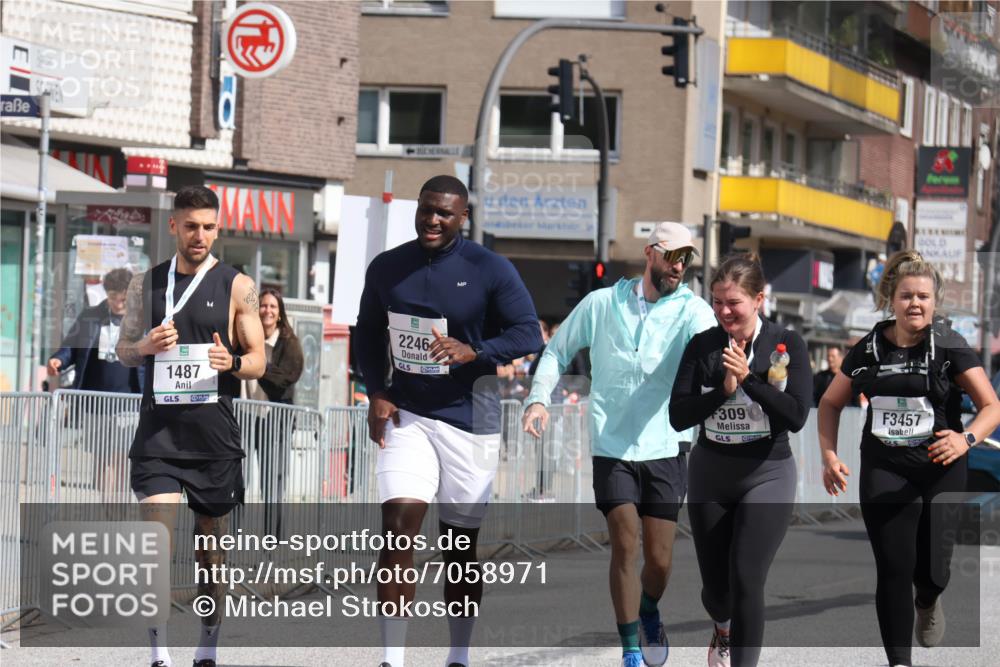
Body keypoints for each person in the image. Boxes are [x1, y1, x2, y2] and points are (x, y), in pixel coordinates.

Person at [354, 175, 542, 667]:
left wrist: (474, 351)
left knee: (459, 548)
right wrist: (376, 390)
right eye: (426, 210)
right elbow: (368, 336)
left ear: (463, 218)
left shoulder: (490, 268)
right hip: (408, 414)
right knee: (397, 528)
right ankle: (391, 659)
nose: (432, 220)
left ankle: (457, 654)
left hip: (470, 420)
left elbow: (528, 333)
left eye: (444, 213)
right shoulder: (389, 268)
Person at [522, 222, 716, 667]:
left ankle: (649, 610)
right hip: (612, 446)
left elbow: (711, 343)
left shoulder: (692, 309)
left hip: (665, 445)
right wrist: (537, 399)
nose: (680, 266)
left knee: (660, 560)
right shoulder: (601, 303)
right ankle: (630, 649)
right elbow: (556, 351)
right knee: (625, 544)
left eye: (687, 259)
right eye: (673, 256)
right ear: (650, 253)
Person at [817, 250, 1000, 667]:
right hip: (885, 467)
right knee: (894, 569)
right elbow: (829, 403)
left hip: (941, 467)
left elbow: (992, 406)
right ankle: (899, 662)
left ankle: (929, 599)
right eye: (905, 296)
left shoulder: (949, 345)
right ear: (891, 300)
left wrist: (966, 438)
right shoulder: (868, 348)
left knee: (933, 571)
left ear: (934, 302)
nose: (914, 303)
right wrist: (829, 455)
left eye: (922, 296)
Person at [116, 185, 266, 667]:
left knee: (210, 552)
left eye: (208, 227)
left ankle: (208, 642)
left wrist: (232, 363)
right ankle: (159, 651)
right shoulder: (146, 284)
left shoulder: (238, 286)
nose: (199, 235)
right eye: (191, 225)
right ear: (173, 226)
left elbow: (259, 360)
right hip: (158, 436)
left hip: (213, 440)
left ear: (217, 228)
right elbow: (121, 350)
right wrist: (145, 347)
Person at [669, 253, 811, 667]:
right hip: (712, 473)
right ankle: (722, 628)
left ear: (759, 300)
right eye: (717, 302)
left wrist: (749, 380)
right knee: (717, 591)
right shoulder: (703, 346)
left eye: (734, 303)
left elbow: (797, 415)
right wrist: (722, 392)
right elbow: (678, 415)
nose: (724, 311)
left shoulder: (786, 344)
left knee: (748, 578)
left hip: (768, 472)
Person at [242, 288, 303, 537]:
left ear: (279, 314)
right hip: (244, 416)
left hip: (274, 420)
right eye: (263, 306)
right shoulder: (244, 337)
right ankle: (234, 537)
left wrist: (256, 366)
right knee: (238, 480)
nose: (267, 310)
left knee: (272, 481)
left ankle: (272, 540)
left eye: (272, 307)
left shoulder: (289, 343)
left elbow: (286, 380)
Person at [47, 267, 142, 393]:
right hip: (90, 400)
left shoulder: (143, 321)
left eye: (123, 299)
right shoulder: (89, 317)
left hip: (130, 402)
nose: (118, 304)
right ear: (106, 293)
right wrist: (59, 359)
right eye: (113, 297)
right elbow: (71, 346)